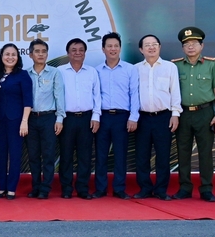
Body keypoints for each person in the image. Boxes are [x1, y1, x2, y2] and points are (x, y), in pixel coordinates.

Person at [171, 26, 215, 202]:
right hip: (183, 113)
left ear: (202, 46)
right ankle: (185, 187)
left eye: (194, 43)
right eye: (187, 44)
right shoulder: (175, 65)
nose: (191, 47)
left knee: (205, 152)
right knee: (183, 151)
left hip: (205, 113)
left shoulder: (212, 64)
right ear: (182, 48)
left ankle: (206, 189)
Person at [133, 35, 181, 201]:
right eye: (147, 45)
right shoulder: (136, 69)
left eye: (154, 45)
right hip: (142, 118)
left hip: (163, 117)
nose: (151, 48)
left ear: (159, 47)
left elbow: (175, 91)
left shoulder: (170, 67)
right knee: (142, 155)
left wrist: (175, 114)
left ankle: (161, 190)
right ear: (141, 49)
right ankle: (145, 188)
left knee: (163, 155)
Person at [94, 32, 139, 200]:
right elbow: (95, 96)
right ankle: (100, 188)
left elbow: (134, 94)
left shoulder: (130, 69)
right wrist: (96, 117)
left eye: (116, 46)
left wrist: (133, 117)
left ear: (120, 48)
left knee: (120, 154)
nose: (113, 49)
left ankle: (119, 188)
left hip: (122, 117)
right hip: (103, 117)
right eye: (109, 46)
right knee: (100, 154)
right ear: (103, 49)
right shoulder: (96, 71)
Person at [58, 38, 101, 199]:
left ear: (85, 53)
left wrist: (96, 116)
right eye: (74, 50)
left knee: (85, 155)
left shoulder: (92, 72)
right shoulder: (60, 72)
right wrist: (59, 119)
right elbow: (57, 96)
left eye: (81, 50)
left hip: (86, 118)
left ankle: (83, 188)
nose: (77, 53)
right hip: (66, 118)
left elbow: (97, 96)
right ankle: (67, 188)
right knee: (66, 154)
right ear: (68, 53)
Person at [25, 39, 65, 200]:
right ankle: (35, 186)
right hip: (31, 119)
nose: (41, 54)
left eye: (43, 51)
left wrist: (60, 119)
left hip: (49, 118)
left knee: (48, 155)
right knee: (33, 155)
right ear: (30, 54)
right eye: (37, 51)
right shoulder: (25, 74)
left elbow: (59, 97)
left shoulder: (55, 73)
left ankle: (45, 188)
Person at [0, 44, 33, 200]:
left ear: (18, 57)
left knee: (15, 155)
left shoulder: (23, 75)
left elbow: (28, 100)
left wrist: (24, 121)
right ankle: (1, 187)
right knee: (0, 154)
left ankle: (11, 188)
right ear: (1, 56)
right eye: (7, 54)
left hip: (17, 121)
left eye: (13, 54)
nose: (10, 57)